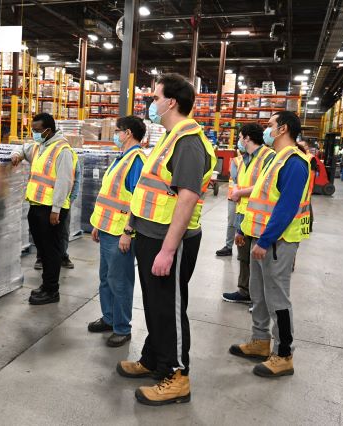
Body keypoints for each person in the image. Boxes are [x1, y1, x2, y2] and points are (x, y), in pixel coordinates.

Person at [116, 74, 217, 406]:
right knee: (155, 306)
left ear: (171, 101)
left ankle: (177, 376)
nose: (151, 102)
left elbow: (186, 199)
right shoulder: (169, 137)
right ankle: (154, 360)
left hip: (168, 241)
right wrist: (132, 228)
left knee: (170, 309)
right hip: (150, 234)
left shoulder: (188, 141)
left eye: (155, 96)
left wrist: (168, 251)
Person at [229, 111, 312, 378]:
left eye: (270, 125)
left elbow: (285, 208)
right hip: (260, 237)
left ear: (283, 129)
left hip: (278, 241)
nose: (267, 129)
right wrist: (244, 229)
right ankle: (260, 341)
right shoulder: (276, 159)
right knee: (259, 292)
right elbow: (261, 199)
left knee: (277, 296)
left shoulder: (295, 163)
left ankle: (284, 353)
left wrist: (265, 240)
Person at [88, 115, 146, 347]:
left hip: (121, 232)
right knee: (106, 278)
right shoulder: (122, 158)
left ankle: (122, 327)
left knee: (120, 281)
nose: (115, 134)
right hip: (106, 228)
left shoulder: (137, 161)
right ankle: (109, 318)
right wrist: (97, 225)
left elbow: (138, 201)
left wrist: (128, 232)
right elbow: (111, 196)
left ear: (128, 133)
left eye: (117, 130)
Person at [11, 113, 78, 305]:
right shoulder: (40, 147)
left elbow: (64, 182)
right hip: (37, 206)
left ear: (48, 130)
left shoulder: (62, 150)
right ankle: (46, 285)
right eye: (33, 130)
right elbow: (23, 148)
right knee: (43, 249)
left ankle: (52, 290)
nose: (34, 133)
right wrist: (16, 154)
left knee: (51, 251)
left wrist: (56, 210)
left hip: (51, 210)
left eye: (38, 131)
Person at [222, 123, 275, 304]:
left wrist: (239, 192)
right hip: (243, 214)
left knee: (259, 260)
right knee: (243, 256)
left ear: (247, 138)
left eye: (240, 137)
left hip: (261, 215)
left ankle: (259, 300)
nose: (239, 141)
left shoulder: (268, 157)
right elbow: (239, 182)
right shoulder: (245, 158)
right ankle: (244, 291)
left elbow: (265, 186)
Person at [34, 162, 82, 270]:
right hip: (46, 202)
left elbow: (76, 180)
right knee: (43, 231)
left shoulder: (72, 158)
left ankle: (63, 255)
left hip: (64, 203)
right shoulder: (50, 158)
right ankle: (41, 257)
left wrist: (70, 200)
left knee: (63, 232)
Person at [215, 152, 243, 257]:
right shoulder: (235, 160)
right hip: (233, 197)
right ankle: (228, 247)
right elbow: (235, 177)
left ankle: (242, 249)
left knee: (243, 224)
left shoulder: (257, 161)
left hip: (247, 197)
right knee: (231, 223)